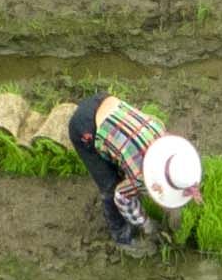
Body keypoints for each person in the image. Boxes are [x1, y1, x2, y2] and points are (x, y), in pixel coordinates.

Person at [69, 91, 200, 253]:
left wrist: (173, 208)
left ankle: (116, 161)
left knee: (125, 170)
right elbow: (121, 197)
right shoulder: (141, 176)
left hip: (107, 102)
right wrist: (146, 224)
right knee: (110, 187)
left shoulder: (164, 137)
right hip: (85, 127)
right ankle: (123, 238)